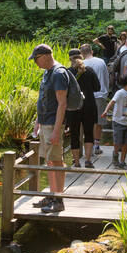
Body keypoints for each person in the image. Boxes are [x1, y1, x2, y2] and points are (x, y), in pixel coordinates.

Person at [28, 43, 71, 212]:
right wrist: (37, 122)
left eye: (36, 59)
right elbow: (43, 100)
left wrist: (55, 130)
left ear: (46, 56)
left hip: (53, 124)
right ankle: (52, 195)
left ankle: (59, 200)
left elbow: (62, 104)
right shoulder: (47, 73)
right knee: (49, 161)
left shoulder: (59, 73)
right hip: (45, 123)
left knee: (57, 161)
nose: (35, 63)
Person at [65, 49, 101, 168]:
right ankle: (88, 160)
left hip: (73, 107)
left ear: (70, 59)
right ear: (81, 57)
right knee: (89, 133)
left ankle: (76, 162)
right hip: (89, 105)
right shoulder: (89, 71)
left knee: (74, 134)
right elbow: (97, 88)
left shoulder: (67, 72)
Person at [101, 74, 127, 168]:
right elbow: (112, 102)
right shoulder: (120, 93)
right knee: (118, 141)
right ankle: (115, 155)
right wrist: (105, 111)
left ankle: (122, 161)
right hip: (118, 121)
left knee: (126, 143)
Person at [80, 43, 109, 156]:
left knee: (87, 122)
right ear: (91, 51)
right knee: (99, 122)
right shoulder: (101, 62)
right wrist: (106, 92)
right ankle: (96, 145)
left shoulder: (82, 64)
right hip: (100, 94)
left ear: (82, 54)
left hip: (86, 96)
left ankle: (87, 147)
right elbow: (106, 78)